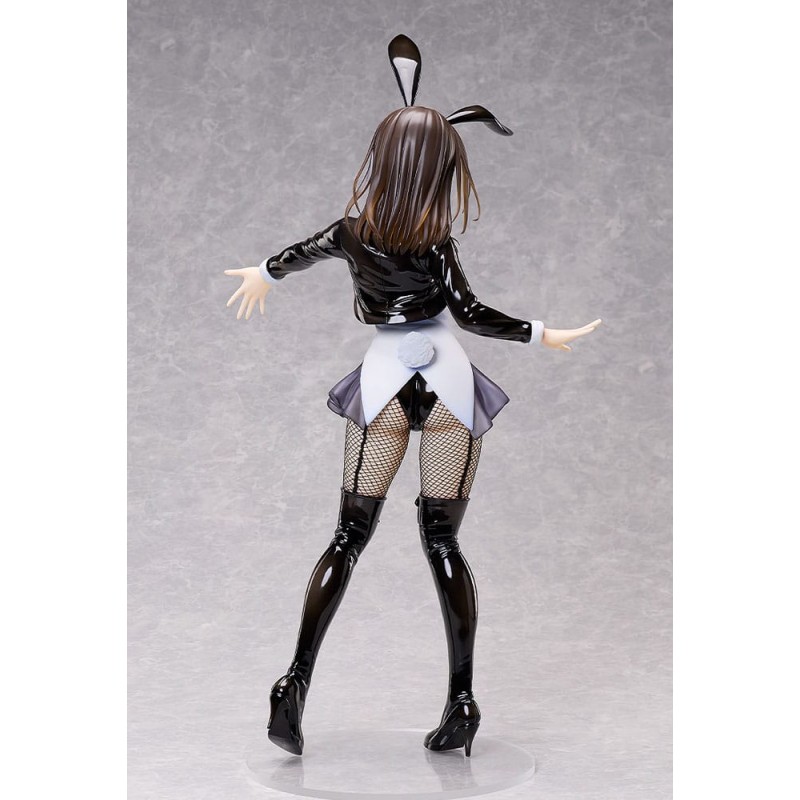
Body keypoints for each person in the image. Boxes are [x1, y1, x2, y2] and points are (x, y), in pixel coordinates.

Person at [224, 35, 600, 757]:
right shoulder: (435, 241)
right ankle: (463, 700)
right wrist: (539, 333)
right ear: (438, 169)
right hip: (448, 383)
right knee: (443, 540)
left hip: (383, 383)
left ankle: (293, 683)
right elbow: (471, 313)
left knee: (348, 536)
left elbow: (299, 254)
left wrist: (264, 272)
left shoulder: (353, 232)